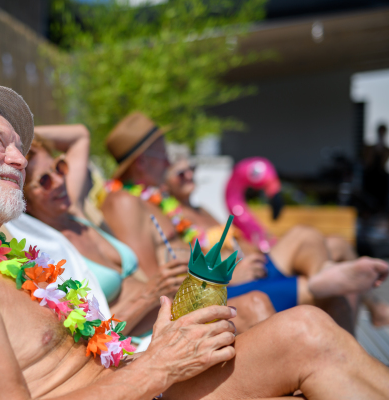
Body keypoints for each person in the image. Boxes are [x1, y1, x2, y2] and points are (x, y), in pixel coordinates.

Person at [0, 86, 389, 399]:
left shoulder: (4, 260)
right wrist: (160, 363)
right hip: (143, 383)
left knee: (306, 329)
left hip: (134, 379)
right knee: (304, 335)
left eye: (20, 148)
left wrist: (159, 343)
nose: (19, 160)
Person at [101, 112, 389, 333]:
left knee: (310, 244)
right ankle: (323, 284)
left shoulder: (155, 202)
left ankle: (327, 287)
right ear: (142, 163)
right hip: (217, 291)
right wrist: (228, 275)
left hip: (235, 277)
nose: (168, 161)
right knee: (331, 287)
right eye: (162, 151)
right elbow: (157, 285)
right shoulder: (124, 203)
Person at [19, 125, 274, 335]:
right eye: (44, 180)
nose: (60, 181)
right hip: (144, 341)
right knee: (257, 306)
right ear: (24, 198)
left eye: (60, 167)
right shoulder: (44, 249)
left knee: (258, 305)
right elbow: (90, 335)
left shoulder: (73, 212)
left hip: (173, 314)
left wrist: (18, 138)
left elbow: (80, 135)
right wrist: (150, 295)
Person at [165, 157, 389, 327]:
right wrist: (230, 276)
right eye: (180, 173)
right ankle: (336, 286)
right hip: (234, 284)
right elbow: (180, 274)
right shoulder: (169, 218)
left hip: (256, 265)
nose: (189, 175)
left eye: (191, 169)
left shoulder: (201, 210)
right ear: (163, 183)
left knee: (335, 244)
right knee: (307, 242)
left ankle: (332, 278)